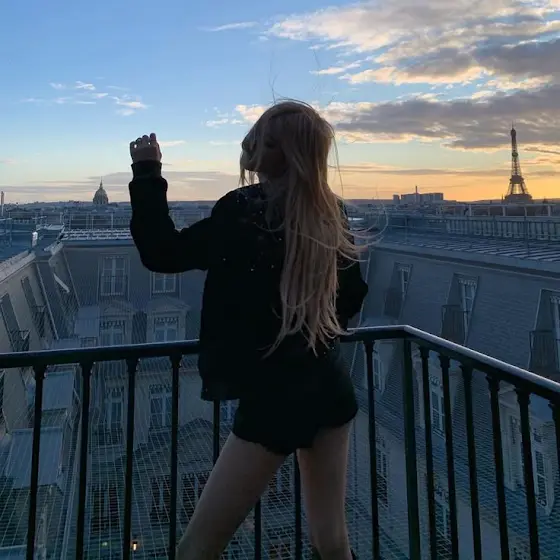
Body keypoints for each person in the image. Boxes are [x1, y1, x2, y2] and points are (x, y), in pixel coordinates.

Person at [128, 100, 368, 560]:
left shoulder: (244, 211)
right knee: (331, 540)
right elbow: (352, 295)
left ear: (279, 153)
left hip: (274, 396)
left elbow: (163, 253)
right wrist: (304, 325)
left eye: (262, 139)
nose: (249, 144)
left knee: (198, 546)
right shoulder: (329, 212)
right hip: (328, 384)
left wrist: (147, 172)